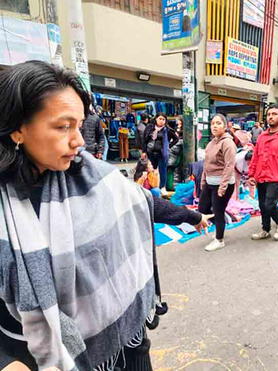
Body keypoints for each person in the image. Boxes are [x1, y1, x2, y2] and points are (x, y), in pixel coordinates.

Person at [0, 61, 212, 371]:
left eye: (79, 124)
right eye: (63, 126)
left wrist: (191, 216)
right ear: (18, 128)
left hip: (127, 343)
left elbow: (142, 203)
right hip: (37, 358)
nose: (80, 141)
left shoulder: (94, 175)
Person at [248, 105, 278, 241]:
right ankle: (265, 229)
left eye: (274, 114)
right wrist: (251, 174)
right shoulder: (262, 136)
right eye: (268, 114)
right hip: (261, 176)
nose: (270, 116)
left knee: (270, 204)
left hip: (276, 177)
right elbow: (256, 156)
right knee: (262, 205)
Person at [198, 114, 238, 252]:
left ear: (225, 126)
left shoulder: (228, 143)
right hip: (210, 183)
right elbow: (206, 164)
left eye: (218, 123)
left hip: (223, 184)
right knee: (202, 209)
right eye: (212, 123)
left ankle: (219, 239)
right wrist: (203, 181)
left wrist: (223, 186)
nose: (214, 126)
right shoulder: (211, 143)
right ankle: (221, 225)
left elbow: (229, 165)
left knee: (218, 211)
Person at [142, 113, 179, 190]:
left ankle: (162, 187)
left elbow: (176, 139)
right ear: (156, 119)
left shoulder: (167, 130)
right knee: (151, 170)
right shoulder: (150, 128)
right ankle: (151, 185)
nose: (161, 121)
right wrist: (144, 151)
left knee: (163, 170)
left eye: (163, 119)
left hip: (162, 154)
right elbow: (144, 140)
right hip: (151, 153)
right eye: (160, 119)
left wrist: (168, 146)